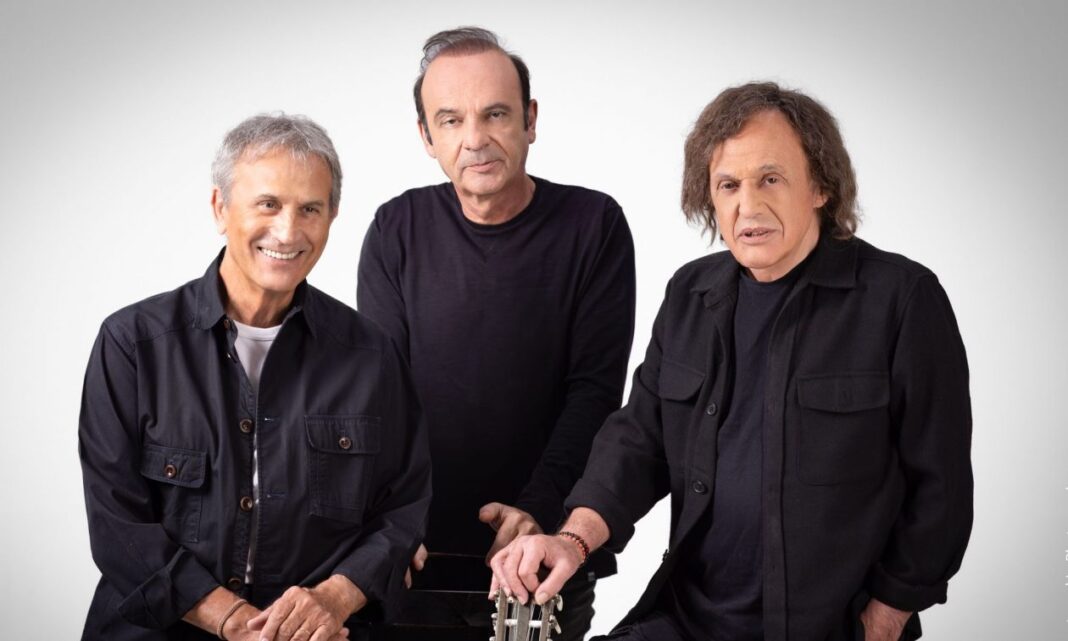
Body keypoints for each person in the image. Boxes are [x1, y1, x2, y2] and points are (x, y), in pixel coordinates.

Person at [490, 82, 973, 641]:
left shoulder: (902, 300)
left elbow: (940, 488)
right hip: (685, 620)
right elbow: (638, 442)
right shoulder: (690, 295)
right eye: (728, 185)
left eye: (770, 179)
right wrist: (570, 541)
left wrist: (887, 616)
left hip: (827, 628)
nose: (749, 206)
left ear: (820, 186)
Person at [79, 114, 431, 641]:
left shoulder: (371, 356)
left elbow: (403, 511)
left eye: (310, 209)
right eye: (268, 204)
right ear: (220, 208)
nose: (288, 232)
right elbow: (117, 527)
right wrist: (237, 622)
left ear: (333, 216)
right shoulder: (132, 345)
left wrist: (332, 601)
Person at [357, 27, 636, 641]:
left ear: (530, 120)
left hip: (544, 554)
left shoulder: (593, 225)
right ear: (426, 136)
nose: (475, 139)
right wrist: (393, 525)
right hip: (413, 554)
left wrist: (538, 508)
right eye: (451, 120)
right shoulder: (396, 228)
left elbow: (594, 392)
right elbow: (380, 397)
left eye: (496, 114)